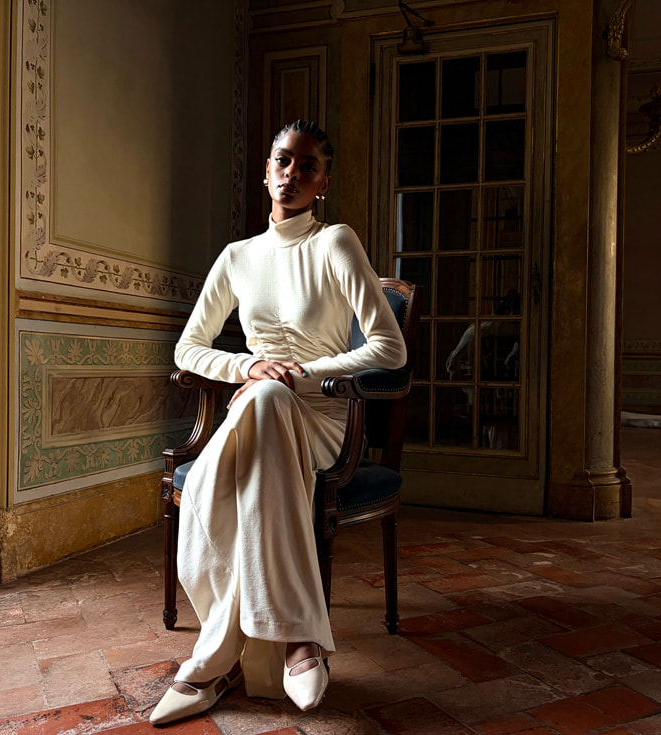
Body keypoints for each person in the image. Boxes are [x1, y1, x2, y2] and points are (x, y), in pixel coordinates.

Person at [149, 120, 407, 725]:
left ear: (322, 183)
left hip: (319, 421)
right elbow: (187, 349)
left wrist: (304, 374)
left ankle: (213, 661)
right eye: (282, 162)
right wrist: (248, 367)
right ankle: (299, 637)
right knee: (261, 401)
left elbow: (389, 348)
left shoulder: (336, 242)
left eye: (307, 166)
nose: (292, 174)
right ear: (266, 171)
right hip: (258, 411)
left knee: (267, 402)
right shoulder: (237, 257)